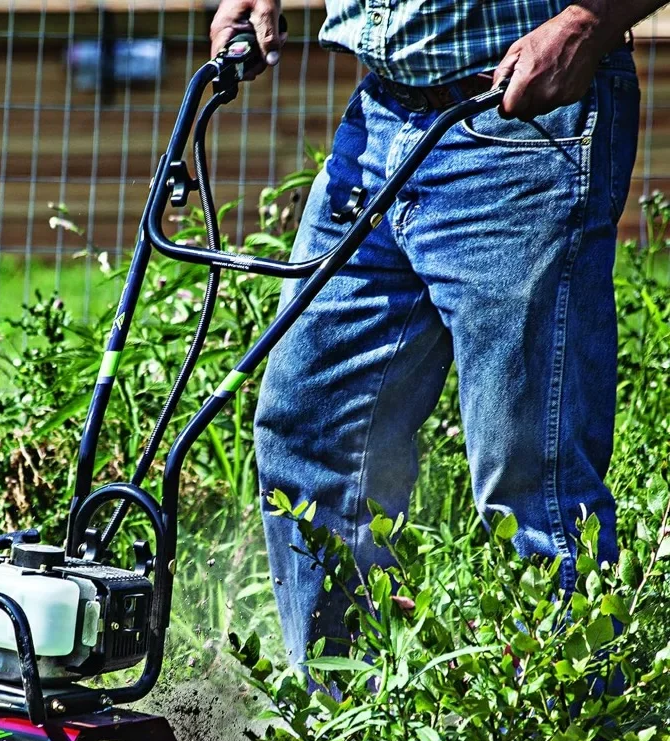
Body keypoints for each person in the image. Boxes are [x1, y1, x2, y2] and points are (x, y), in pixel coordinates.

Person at [208, 1, 657, 665]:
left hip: (524, 116)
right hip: (381, 115)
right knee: (311, 437)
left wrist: (588, 22)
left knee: (532, 481)